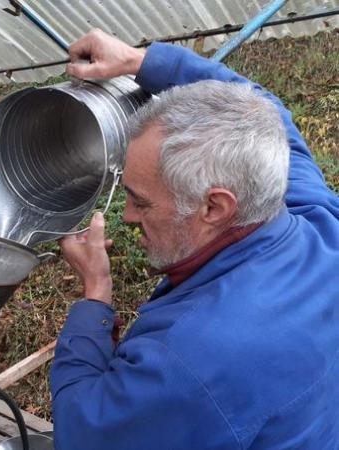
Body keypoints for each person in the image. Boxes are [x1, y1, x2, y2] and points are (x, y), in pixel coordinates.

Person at [50, 30, 339, 449]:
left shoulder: (191, 357)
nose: (128, 217)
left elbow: (83, 432)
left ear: (215, 207)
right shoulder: (317, 219)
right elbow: (264, 108)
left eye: (141, 202)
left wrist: (96, 294)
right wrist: (138, 60)